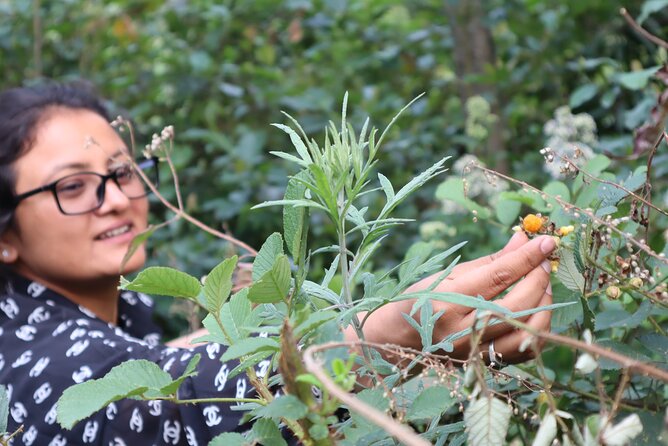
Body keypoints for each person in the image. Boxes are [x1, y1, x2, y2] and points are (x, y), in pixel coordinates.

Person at [0, 83, 555, 445]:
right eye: (73, 186)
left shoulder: (114, 317)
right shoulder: (32, 364)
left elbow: (158, 365)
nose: (117, 197)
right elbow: (170, 412)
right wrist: (377, 342)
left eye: (123, 171)